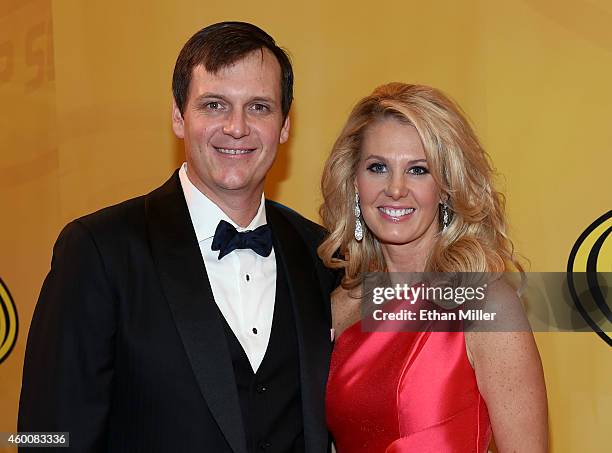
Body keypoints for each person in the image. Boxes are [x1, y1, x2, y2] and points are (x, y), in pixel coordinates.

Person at [19, 22, 336, 453]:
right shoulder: (98, 250)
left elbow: (425, 315)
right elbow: (46, 440)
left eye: (259, 107)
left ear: (284, 125)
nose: (237, 127)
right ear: (178, 116)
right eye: (214, 105)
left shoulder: (321, 254)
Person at [319, 83, 548, 452]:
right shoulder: (338, 305)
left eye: (418, 170)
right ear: (354, 182)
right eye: (378, 167)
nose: (395, 189)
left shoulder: (484, 305)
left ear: (445, 187)